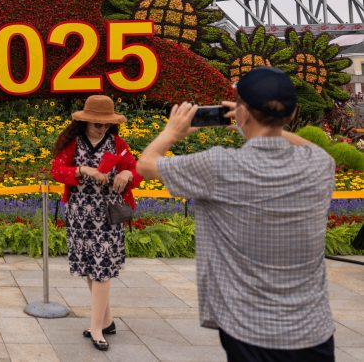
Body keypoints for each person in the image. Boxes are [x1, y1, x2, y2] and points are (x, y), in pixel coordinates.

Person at [136, 66, 335, 362]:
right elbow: (320, 151)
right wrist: (255, 126)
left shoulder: (218, 167)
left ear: (242, 111)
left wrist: (171, 132)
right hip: (313, 329)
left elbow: (147, 164)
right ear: (292, 116)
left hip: (249, 330)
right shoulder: (318, 165)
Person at [51, 94, 142, 352]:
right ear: (86, 123)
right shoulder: (73, 143)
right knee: (89, 268)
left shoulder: (118, 144)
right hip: (80, 214)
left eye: (106, 125)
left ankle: (97, 328)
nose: (102, 128)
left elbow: (136, 171)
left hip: (108, 216)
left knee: (101, 269)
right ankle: (107, 320)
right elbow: (57, 170)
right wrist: (82, 170)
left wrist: (126, 173)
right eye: (96, 124)